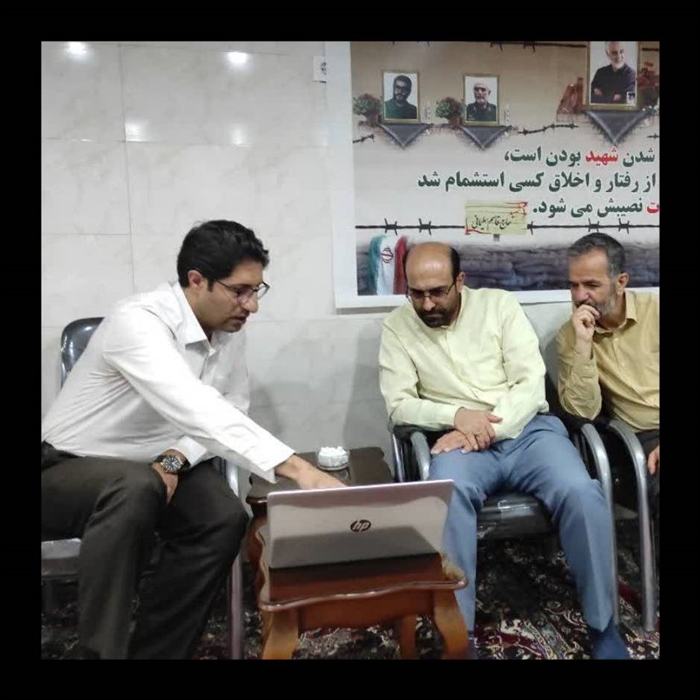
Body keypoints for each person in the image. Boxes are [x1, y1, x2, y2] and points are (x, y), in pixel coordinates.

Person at [41, 219, 345, 659]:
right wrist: (300, 470)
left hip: (158, 465)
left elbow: (230, 406)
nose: (252, 305)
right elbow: (195, 406)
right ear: (197, 280)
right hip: (68, 468)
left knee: (222, 517)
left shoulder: (228, 329)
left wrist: (172, 461)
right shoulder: (138, 322)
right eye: (240, 291)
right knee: (134, 487)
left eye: (257, 290)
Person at [379, 242, 629, 659]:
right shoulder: (397, 327)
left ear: (460, 281)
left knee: (583, 494)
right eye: (417, 294)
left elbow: (530, 384)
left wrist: (486, 429)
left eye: (438, 292)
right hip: (459, 442)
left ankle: (603, 625)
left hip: (528, 432)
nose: (427, 304)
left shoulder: (500, 307)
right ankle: (458, 637)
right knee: (446, 494)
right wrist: (458, 415)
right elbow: (399, 404)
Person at [557, 233, 659, 562]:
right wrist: (583, 344)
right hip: (640, 439)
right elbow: (582, 412)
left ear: (620, 282)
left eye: (591, 285)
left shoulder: (655, 313)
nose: (580, 296)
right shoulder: (571, 335)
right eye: (573, 286)